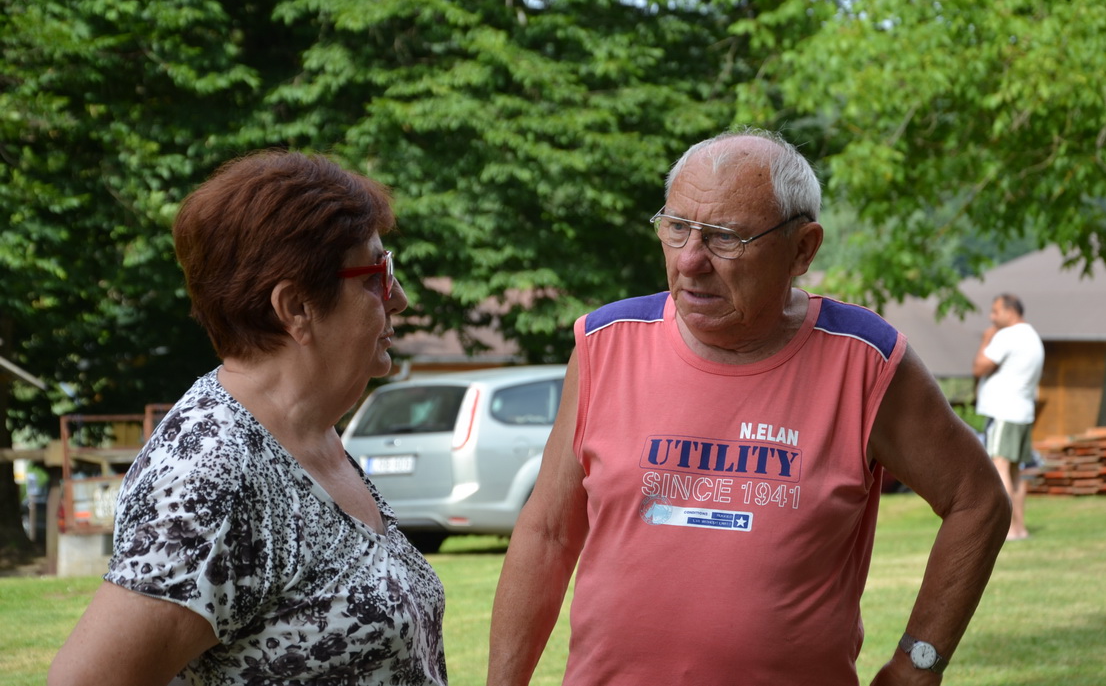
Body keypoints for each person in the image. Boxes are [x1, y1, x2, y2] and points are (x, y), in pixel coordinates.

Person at [487, 129, 1010, 685]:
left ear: (802, 249)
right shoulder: (606, 342)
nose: (691, 260)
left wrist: (916, 665)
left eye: (725, 238)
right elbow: (547, 534)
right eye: (677, 227)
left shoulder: (864, 360)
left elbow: (977, 501)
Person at [49, 151, 447, 686]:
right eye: (376, 275)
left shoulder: (308, 435)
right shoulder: (212, 470)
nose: (398, 298)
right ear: (296, 307)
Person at [972, 294, 1045, 541]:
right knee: (1015, 471)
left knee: (999, 466)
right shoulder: (1032, 336)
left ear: (1010, 311)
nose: (991, 317)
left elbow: (979, 367)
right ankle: (1020, 528)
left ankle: (1007, 529)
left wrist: (986, 340)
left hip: (1004, 411)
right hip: (1022, 412)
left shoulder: (1007, 336)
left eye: (995, 311)